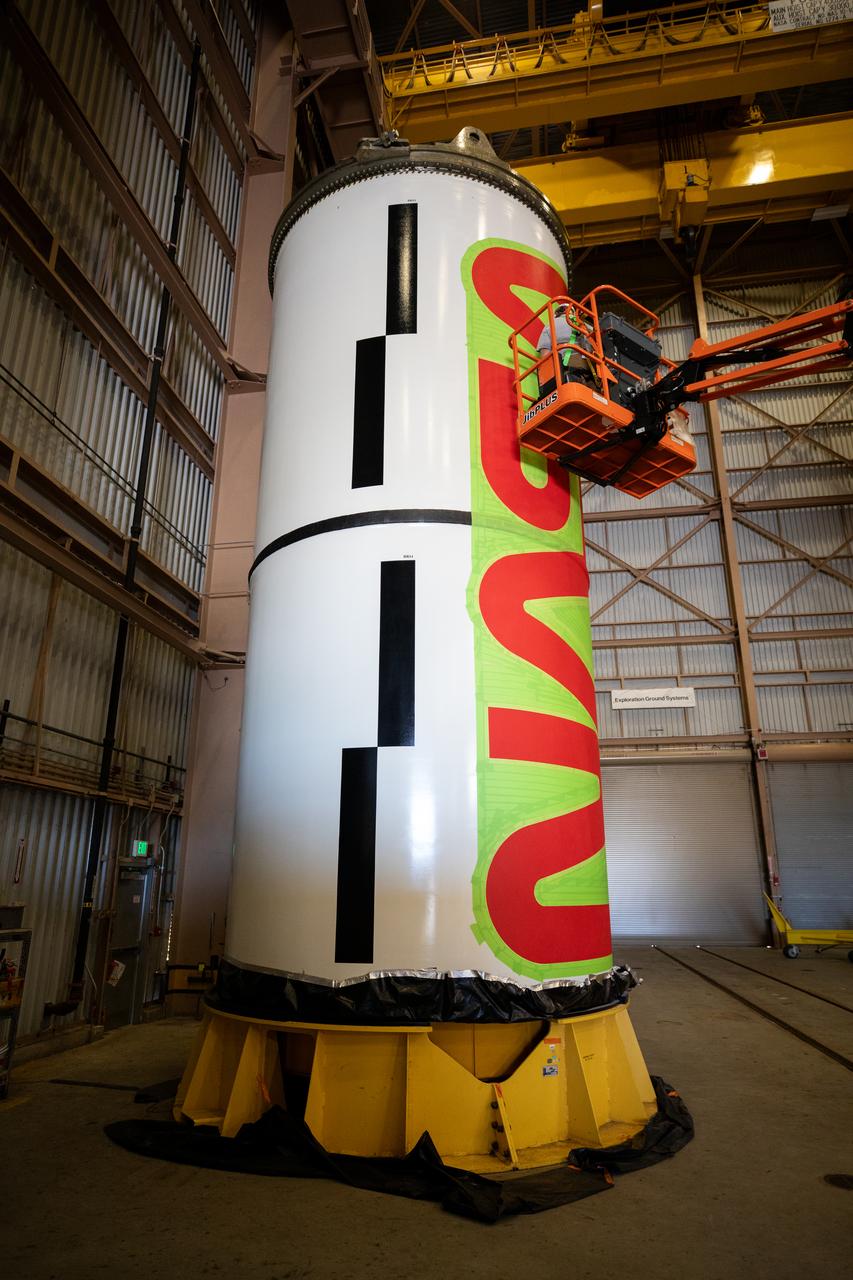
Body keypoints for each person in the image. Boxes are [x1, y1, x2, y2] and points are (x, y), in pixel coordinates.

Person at [536, 303, 598, 391]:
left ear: (556, 313)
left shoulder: (549, 325)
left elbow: (545, 355)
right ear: (572, 312)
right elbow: (598, 336)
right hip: (590, 366)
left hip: (564, 367)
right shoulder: (582, 324)